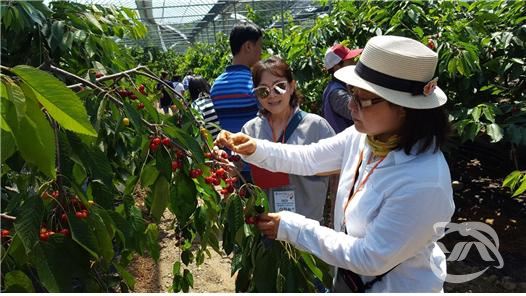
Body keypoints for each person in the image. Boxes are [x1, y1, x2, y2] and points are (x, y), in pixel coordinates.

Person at [215, 35, 455, 292]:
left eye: (362, 99)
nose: (350, 105)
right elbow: (310, 158)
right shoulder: (364, 138)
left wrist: (292, 228)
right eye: (351, 94)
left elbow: (369, 257)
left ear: (404, 109)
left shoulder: (423, 182)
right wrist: (255, 147)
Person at [242, 56, 335, 221]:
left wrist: (335, 217)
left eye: (279, 87)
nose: (271, 95)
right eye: (263, 90)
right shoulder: (250, 130)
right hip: (267, 227)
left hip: (308, 229)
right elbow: (241, 173)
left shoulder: (316, 126)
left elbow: (337, 173)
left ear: (292, 87)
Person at [210, 22, 263, 181]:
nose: (261, 52)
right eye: (259, 46)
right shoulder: (255, 83)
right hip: (256, 161)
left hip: (231, 165)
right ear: (248, 46)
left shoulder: (216, 85)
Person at [322, 44, 362, 134]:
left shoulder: (339, 86)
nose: (354, 62)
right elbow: (361, 114)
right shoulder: (337, 93)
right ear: (337, 67)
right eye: (349, 60)